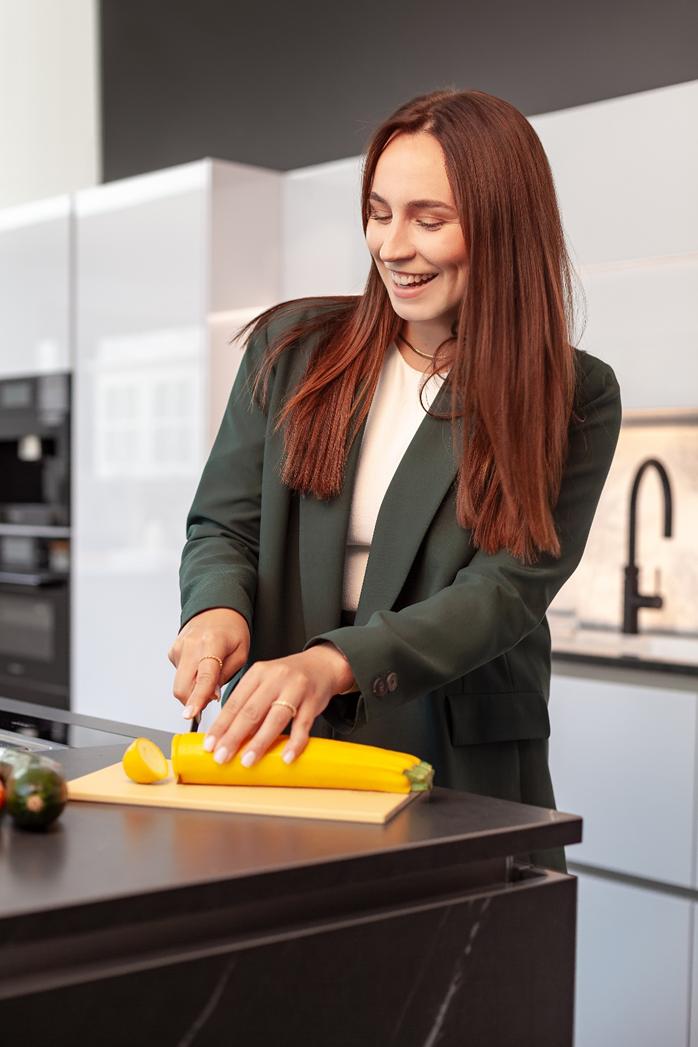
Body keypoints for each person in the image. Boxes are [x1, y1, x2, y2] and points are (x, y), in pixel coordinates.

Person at [168, 89, 621, 869]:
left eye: (429, 219)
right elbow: (223, 526)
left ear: (504, 226)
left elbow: (506, 591)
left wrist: (333, 661)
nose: (392, 244)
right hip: (288, 741)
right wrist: (213, 609)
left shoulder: (573, 393)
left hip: (459, 755)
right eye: (379, 211)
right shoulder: (291, 351)